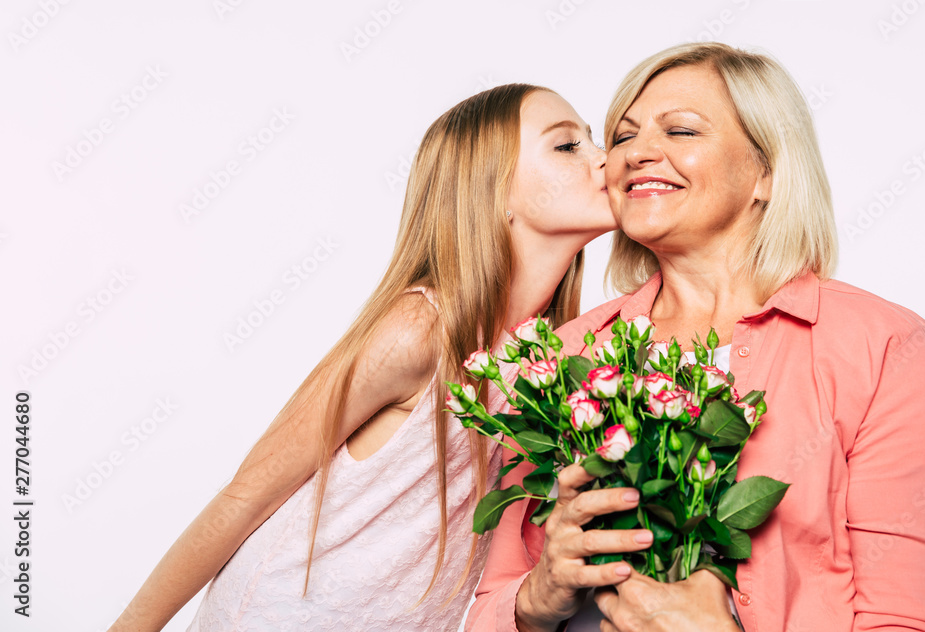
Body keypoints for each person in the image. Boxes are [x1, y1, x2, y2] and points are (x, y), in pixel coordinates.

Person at [467, 43, 925, 632]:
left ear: (766, 172)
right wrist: (533, 600)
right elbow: (488, 607)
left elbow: (910, 620)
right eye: (624, 136)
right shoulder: (565, 360)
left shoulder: (883, 347)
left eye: (680, 130)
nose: (635, 154)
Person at [110, 82, 615, 631]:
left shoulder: (551, 355)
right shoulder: (423, 329)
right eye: (568, 145)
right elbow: (247, 496)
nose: (604, 157)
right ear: (495, 192)